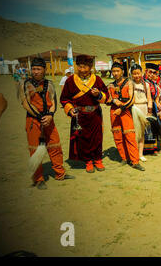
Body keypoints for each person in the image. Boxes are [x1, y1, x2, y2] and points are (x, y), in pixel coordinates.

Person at [19, 58, 74, 189]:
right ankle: (38, 179)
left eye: (38, 69)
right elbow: (25, 103)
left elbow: (53, 102)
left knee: (55, 145)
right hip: (33, 121)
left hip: (49, 120)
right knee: (35, 149)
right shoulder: (24, 84)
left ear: (44, 70)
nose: (35, 72)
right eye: (33, 69)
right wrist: (39, 116)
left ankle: (60, 173)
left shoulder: (49, 84)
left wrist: (50, 115)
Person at [60, 55, 109, 173]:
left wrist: (98, 95)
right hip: (79, 115)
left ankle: (98, 159)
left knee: (97, 137)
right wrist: (70, 109)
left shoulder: (97, 80)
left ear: (90, 67)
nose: (82, 70)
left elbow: (107, 97)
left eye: (85, 67)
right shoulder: (71, 80)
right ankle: (88, 161)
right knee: (83, 138)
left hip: (95, 114)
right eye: (80, 67)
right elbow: (64, 98)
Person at [107, 61, 144, 171]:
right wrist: (114, 100)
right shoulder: (110, 85)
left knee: (130, 135)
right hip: (114, 111)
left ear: (122, 71)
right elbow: (107, 100)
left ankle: (135, 161)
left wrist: (121, 108)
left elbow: (132, 99)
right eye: (113, 71)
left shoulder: (129, 83)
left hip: (125, 110)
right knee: (117, 135)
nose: (115, 73)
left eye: (117, 71)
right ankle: (124, 157)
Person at [130, 64, 152, 162]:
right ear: (131, 74)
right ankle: (133, 154)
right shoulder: (130, 84)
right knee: (134, 132)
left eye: (138, 73)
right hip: (134, 108)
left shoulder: (146, 85)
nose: (137, 76)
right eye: (134, 74)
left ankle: (140, 154)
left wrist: (149, 111)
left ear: (142, 73)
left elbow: (149, 99)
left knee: (142, 133)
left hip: (144, 107)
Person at [143, 62, 161, 154]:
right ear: (146, 71)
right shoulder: (142, 83)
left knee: (153, 127)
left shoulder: (154, 84)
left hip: (153, 107)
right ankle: (145, 149)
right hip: (144, 107)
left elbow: (156, 97)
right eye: (150, 72)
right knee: (146, 127)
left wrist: (157, 103)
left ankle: (153, 148)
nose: (152, 74)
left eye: (154, 73)